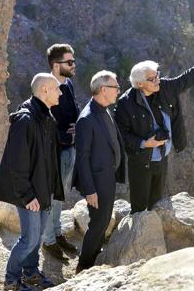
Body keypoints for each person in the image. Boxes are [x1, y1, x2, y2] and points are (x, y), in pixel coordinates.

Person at [114, 44, 194, 213]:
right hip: (141, 162)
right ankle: (137, 237)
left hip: (162, 158)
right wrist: (144, 143)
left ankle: (155, 237)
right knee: (139, 208)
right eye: (152, 79)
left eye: (157, 75)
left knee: (157, 205)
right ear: (140, 84)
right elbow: (121, 134)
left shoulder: (165, 88)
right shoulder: (126, 104)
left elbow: (188, 78)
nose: (157, 80)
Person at [0, 73, 64, 291]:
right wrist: (28, 196)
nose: (60, 93)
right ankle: (11, 280)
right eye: (57, 89)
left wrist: (51, 190)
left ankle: (31, 274)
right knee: (29, 240)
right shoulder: (25, 120)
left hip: (43, 190)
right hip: (30, 194)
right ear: (44, 90)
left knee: (37, 237)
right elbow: (17, 164)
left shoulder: (46, 118)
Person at [71, 70, 127, 274]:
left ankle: (93, 258)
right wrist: (90, 190)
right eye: (115, 87)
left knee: (103, 222)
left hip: (107, 178)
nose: (118, 91)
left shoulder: (104, 109)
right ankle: (83, 267)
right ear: (103, 89)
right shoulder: (87, 118)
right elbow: (82, 159)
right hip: (96, 182)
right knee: (98, 224)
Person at [42, 44, 80, 261]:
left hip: (69, 150)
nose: (74, 65)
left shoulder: (69, 85)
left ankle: (56, 234)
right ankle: (48, 241)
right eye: (69, 62)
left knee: (60, 195)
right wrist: (69, 136)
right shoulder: (46, 87)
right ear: (56, 66)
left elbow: (73, 111)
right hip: (54, 152)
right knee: (49, 196)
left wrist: (79, 127)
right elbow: (45, 127)